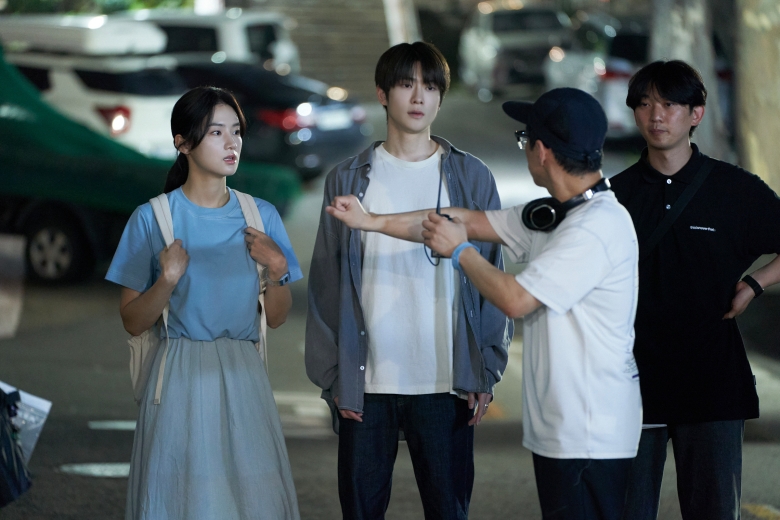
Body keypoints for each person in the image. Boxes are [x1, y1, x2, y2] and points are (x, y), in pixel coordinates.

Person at [327, 87, 643, 519]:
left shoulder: (594, 227)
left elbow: (516, 299)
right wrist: (370, 220)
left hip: (591, 431)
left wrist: (460, 252)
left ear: (542, 151)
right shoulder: (556, 214)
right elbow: (461, 219)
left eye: (524, 138)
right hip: (565, 427)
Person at [305, 42, 513, 519]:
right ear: (382, 94)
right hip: (367, 380)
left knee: (448, 510)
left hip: (447, 381)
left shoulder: (471, 176)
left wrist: (485, 369)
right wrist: (334, 377)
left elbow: (492, 274)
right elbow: (326, 282)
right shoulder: (347, 178)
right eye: (406, 84)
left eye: (431, 87)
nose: (419, 97)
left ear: (441, 97)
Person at [106, 86, 302, 520]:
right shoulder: (152, 218)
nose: (231, 143)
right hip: (178, 374)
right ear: (183, 142)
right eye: (216, 132)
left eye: (236, 131)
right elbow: (133, 322)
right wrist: (167, 281)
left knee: (254, 502)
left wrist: (277, 267)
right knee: (183, 500)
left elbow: (277, 317)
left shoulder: (261, 216)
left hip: (244, 373)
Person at [609, 60, 780, 519]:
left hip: (712, 383)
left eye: (669, 104)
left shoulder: (734, 190)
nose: (656, 115)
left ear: (696, 114)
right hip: (629, 383)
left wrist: (755, 283)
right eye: (645, 104)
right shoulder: (613, 196)